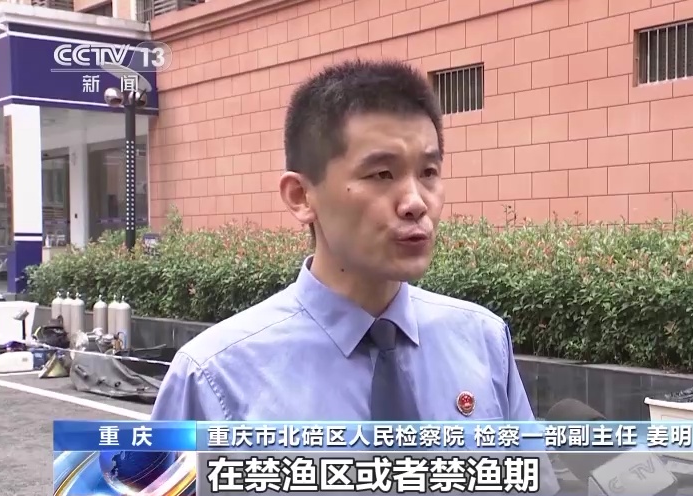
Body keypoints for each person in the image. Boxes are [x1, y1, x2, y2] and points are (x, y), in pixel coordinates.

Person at [151, 59, 559, 494]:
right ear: (301, 196)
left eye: (428, 173)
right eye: (382, 174)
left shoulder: (482, 341)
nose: (415, 202)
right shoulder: (214, 377)